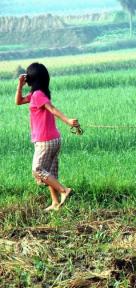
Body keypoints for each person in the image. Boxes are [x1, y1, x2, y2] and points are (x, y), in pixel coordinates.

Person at [15, 62, 79, 211]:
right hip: (53, 139)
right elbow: (18, 101)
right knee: (49, 172)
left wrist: (68, 120)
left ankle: (64, 190)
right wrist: (20, 85)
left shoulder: (37, 95)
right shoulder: (37, 94)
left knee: (38, 170)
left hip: (45, 141)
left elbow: (52, 109)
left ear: (32, 77)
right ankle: (55, 203)